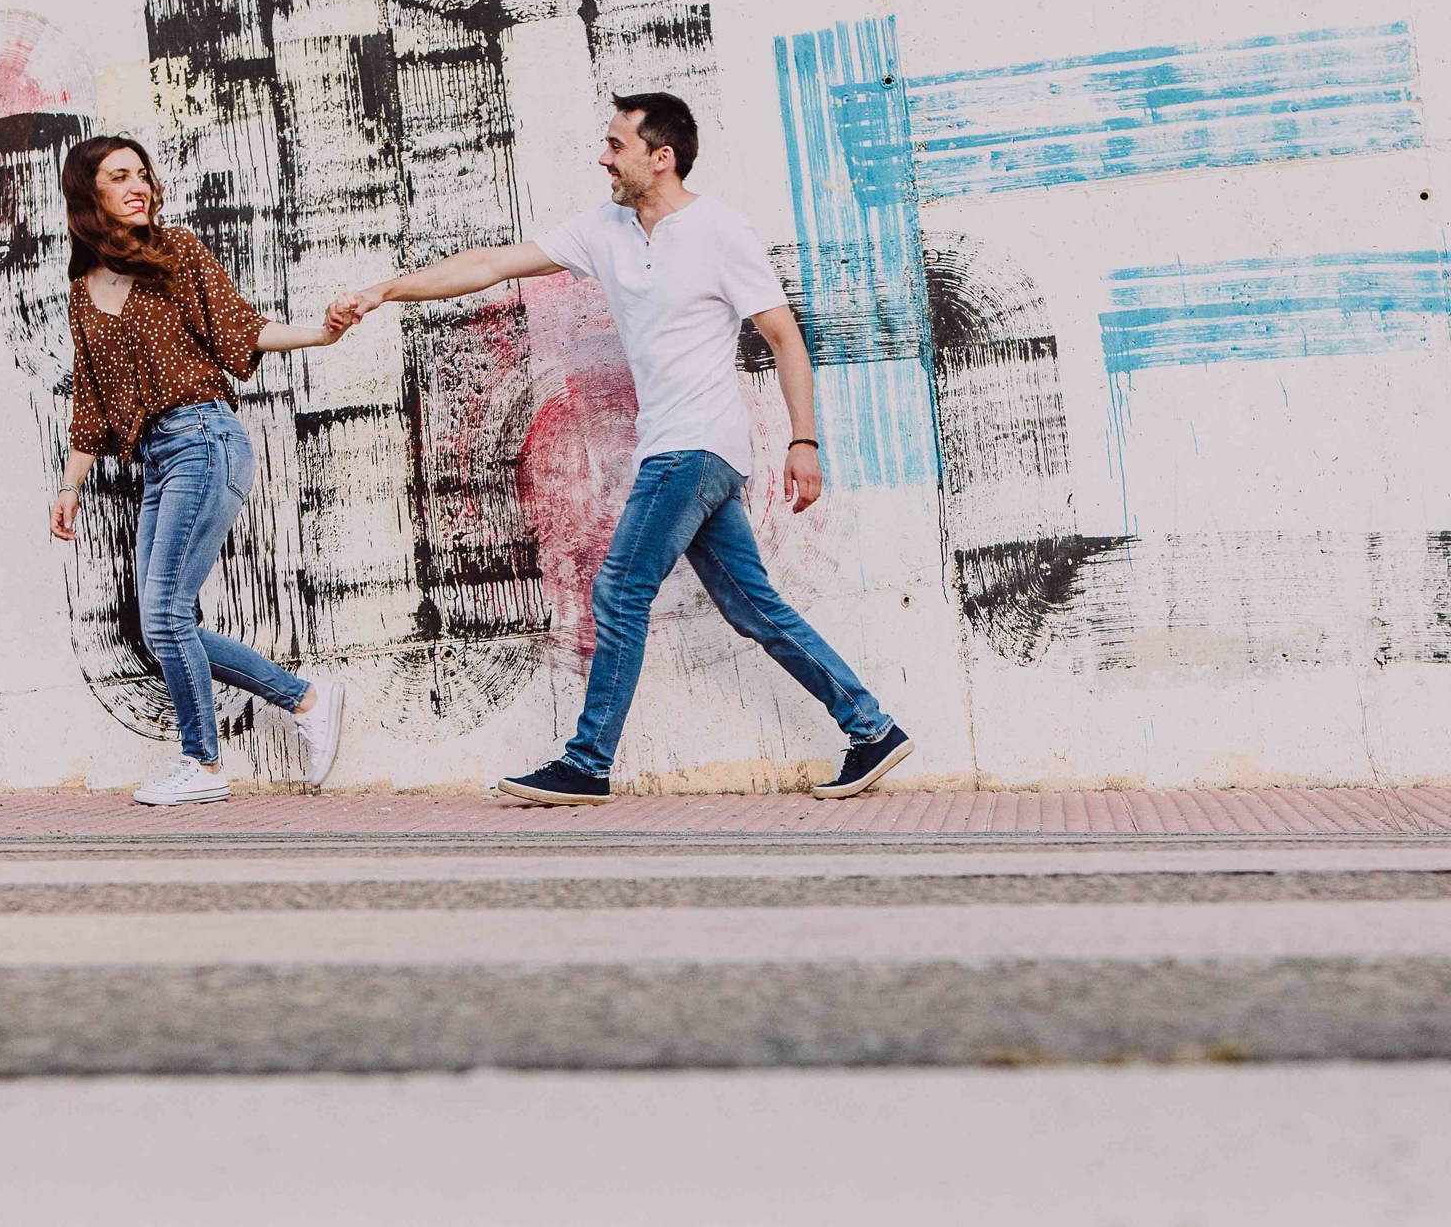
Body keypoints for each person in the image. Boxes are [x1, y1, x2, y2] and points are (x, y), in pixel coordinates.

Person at [327, 92, 912, 804]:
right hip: (680, 448)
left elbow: (785, 334)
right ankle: (871, 726)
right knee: (753, 607)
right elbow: (490, 265)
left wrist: (804, 440)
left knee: (619, 588)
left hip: (694, 445)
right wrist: (385, 289)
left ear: (660, 158)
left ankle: (587, 760)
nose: (603, 157)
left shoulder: (720, 230)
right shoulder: (604, 228)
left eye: (616, 146)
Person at [51, 135, 347, 806]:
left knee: (162, 613)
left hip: (204, 437)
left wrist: (319, 333)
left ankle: (203, 762)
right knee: (161, 623)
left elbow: (240, 329)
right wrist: (70, 484)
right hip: (157, 456)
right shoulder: (81, 291)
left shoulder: (176, 251)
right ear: (87, 194)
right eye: (119, 176)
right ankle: (303, 698)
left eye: (142, 175)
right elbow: (92, 401)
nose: (139, 186)